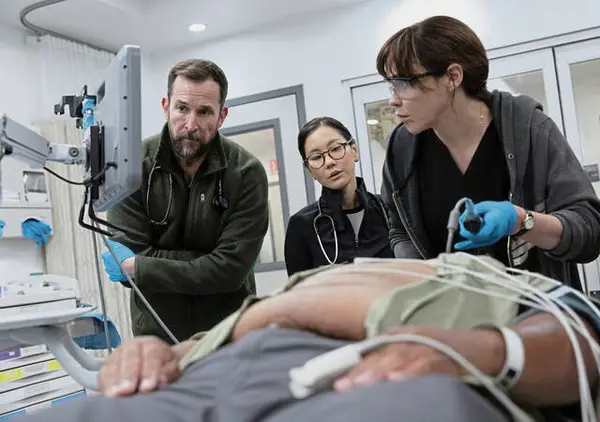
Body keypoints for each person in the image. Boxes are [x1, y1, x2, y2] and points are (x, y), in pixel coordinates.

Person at [14, 252, 600, 422]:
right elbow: (191, 345)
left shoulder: (467, 274)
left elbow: (583, 338)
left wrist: (474, 351)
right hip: (200, 378)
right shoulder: (290, 288)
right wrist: (152, 350)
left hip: (362, 375)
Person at [378, 16, 600, 291]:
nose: (393, 99)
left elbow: (589, 231)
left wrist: (521, 221)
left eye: (404, 82)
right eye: (391, 85)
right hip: (452, 312)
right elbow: (400, 228)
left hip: (534, 310)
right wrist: (423, 277)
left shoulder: (529, 129)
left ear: (452, 77)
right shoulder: (402, 147)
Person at [100, 59, 269, 343]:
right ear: (166, 107)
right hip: (156, 337)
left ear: (222, 116)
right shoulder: (131, 167)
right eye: (181, 108)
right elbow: (127, 259)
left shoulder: (246, 172)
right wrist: (209, 262)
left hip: (229, 335)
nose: (190, 124)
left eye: (204, 112)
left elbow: (230, 271)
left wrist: (143, 267)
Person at [284, 117, 393, 276]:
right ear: (309, 169)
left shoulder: (388, 209)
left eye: (335, 149)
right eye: (316, 157)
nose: (329, 162)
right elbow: (300, 289)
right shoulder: (301, 225)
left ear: (354, 150)